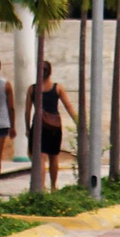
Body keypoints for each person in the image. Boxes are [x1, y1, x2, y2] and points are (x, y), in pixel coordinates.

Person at [31, 59, 78, 192]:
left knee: (41, 156)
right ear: (50, 72)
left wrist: (28, 129)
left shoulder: (33, 89)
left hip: (38, 124)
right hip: (54, 126)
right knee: (54, 156)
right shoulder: (58, 88)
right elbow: (68, 106)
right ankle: (53, 185)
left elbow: (27, 111)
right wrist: (78, 122)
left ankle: (41, 186)